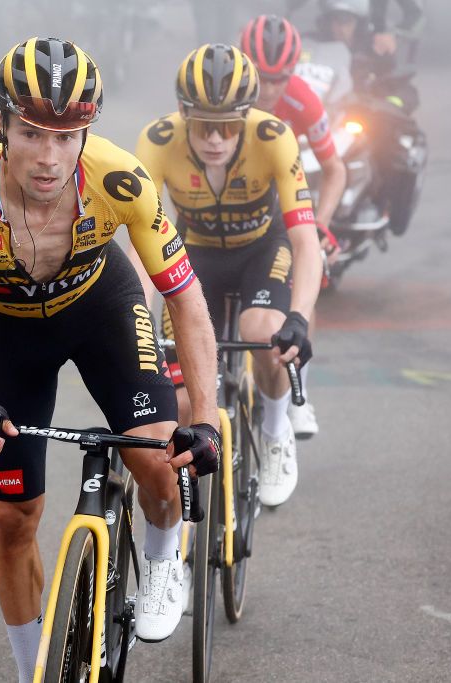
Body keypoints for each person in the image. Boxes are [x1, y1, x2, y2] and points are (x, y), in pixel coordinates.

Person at [0, 37, 222, 682]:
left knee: (158, 455)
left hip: (100, 308)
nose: (48, 157)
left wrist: (207, 417)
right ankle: (31, 671)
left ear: (85, 136)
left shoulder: (122, 180)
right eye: (31, 133)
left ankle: (163, 560)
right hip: (6, 332)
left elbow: (183, 297)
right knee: (13, 515)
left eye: (66, 136)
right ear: (1, 126)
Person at [134, 44, 322, 507]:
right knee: (179, 401)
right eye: (204, 125)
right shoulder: (157, 141)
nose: (216, 139)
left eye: (228, 126)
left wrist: (298, 316)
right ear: (182, 113)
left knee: (264, 331)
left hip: (262, 246)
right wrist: (139, 318)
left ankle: (276, 432)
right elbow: (142, 247)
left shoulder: (275, 136)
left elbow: (305, 240)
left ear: (248, 115)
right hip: (195, 253)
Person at [241, 14, 347, 438]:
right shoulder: (227, 94)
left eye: (278, 79)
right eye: (260, 78)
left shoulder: (303, 100)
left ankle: (300, 378)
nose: (268, 90)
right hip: (240, 198)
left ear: (293, 73)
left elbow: (335, 169)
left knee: (309, 265)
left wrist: (321, 225)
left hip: (289, 195)